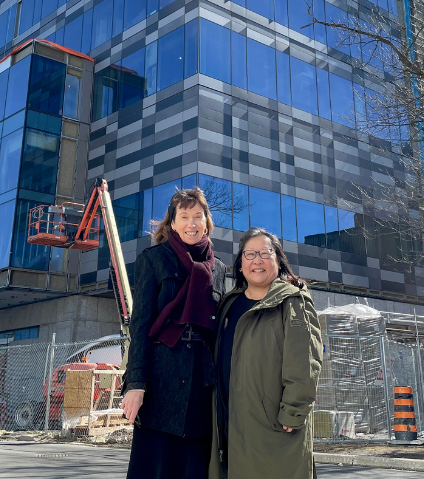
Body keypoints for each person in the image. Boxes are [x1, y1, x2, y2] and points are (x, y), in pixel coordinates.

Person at [122, 187, 227, 479]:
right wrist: (136, 383)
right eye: (184, 216)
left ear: (207, 221)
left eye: (198, 216)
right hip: (160, 379)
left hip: (202, 383)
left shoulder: (218, 268)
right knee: (155, 466)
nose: (191, 223)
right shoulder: (153, 259)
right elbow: (141, 325)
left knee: (195, 467)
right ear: (172, 223)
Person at [210, 228, 322, 479]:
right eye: (249, 254)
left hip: (275, 427)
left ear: (278, 260)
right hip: (230, 423)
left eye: (265, 253)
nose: (257, 260)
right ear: (240, 265)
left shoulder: (293, 301)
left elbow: (306, 363)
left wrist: (293, 413)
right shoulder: (230, 303)